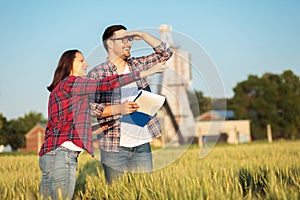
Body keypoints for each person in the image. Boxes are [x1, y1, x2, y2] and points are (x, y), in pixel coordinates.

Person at [38, 49, 168, 199]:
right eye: (81, 61)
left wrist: (95, 129)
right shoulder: (71, 83)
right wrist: (142, 74)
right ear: (68, 64)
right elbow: (103, 84)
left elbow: (63, 125)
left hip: (49, 154)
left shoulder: (59, 88)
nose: (86, 64)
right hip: (62, 156)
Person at [87, 25, 173, 184]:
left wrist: (142, 34)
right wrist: (117, 109)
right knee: (116, 192)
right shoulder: (97, 74)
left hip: (142, 145)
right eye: (124, 39)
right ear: (110, 44)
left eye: (130, 39)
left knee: (145, 192)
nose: (129, 43)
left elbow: (166, 53)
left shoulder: (137, 65)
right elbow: (86, 107)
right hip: (114, 147)